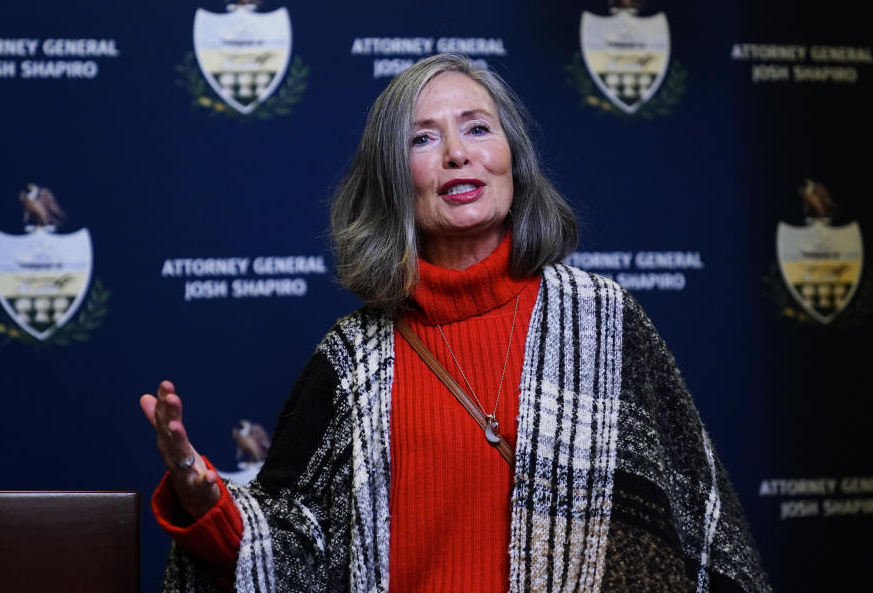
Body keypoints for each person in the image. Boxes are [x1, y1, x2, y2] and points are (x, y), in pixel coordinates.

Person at [141, 53, 771, 593]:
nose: (456, 155)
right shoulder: (353, 356)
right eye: (423, 139)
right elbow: (291, 554)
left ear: (513, 160)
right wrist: (205, 498)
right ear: (394, 180)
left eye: (477, 128)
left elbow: (694, 531)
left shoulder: (603, 324)